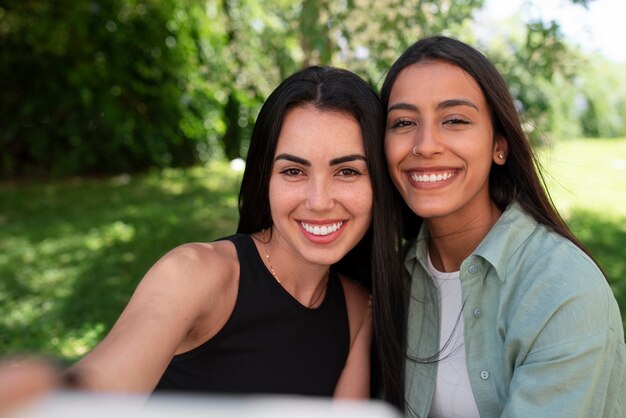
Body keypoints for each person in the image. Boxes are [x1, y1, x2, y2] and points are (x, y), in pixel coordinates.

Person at [52, 65, 400, 399]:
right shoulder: (194, 274)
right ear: (265, 179)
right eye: (294, 171)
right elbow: (98, 389)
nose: (319, 201)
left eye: (348, 172)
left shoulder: (357, 310)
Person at [376, 35, 626, 417]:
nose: (425, 145)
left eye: (455, 120)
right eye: (404, 122)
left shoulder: (563, 289)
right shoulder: (391, 279)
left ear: (500, 145)